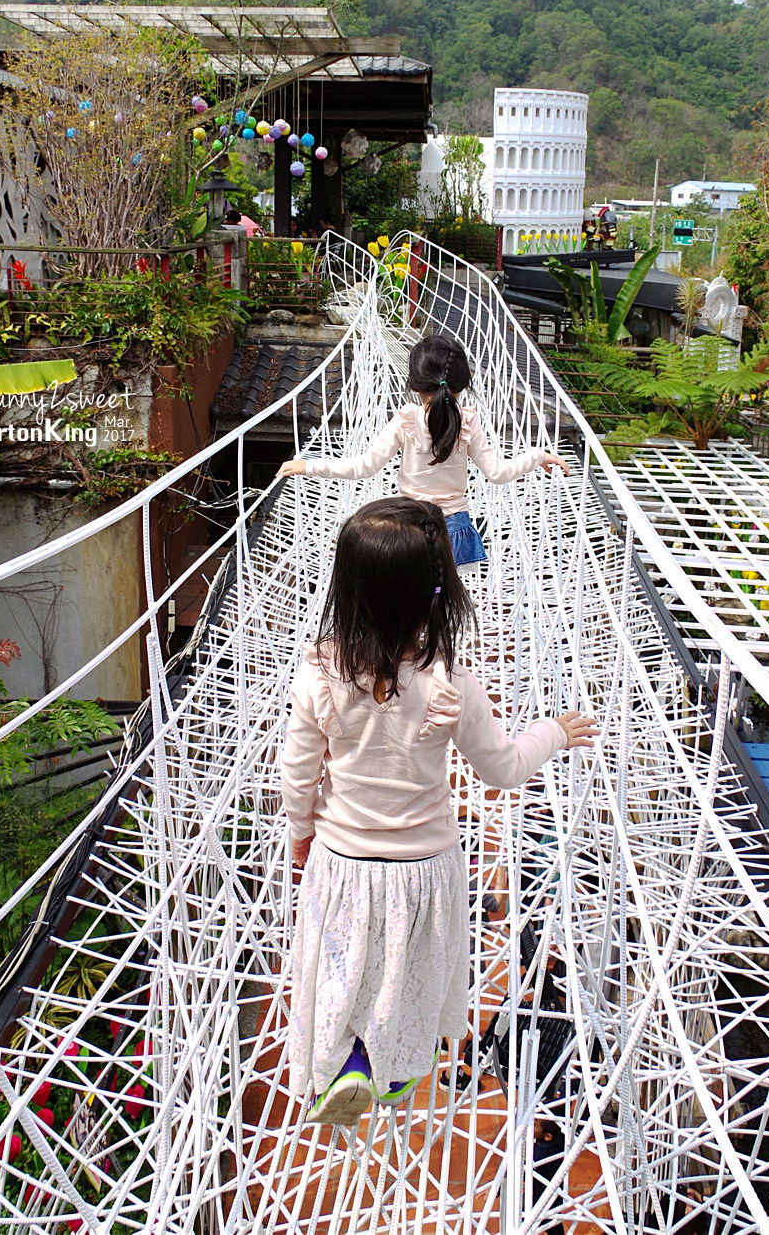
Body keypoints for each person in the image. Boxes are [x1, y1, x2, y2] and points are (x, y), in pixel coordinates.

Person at [282, 497, 596, 1125]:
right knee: (406, 972)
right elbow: (503, 767)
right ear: (434, 595)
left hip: (344, 860)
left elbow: (298, 772)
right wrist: (556, 731)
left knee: (346, 965)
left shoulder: (318, 673)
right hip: (425, 868)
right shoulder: (449, 682)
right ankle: (393, 1074)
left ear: (347, 589)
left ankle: (347, 1068)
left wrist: (299, 833)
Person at [278, 334, 569, 567]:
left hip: (409, 528)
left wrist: (308, 466)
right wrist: (538, 456)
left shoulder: (406, 419)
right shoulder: (468, 422)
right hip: (453, 533)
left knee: (410, 593)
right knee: (441, 595)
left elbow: (364, 467)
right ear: (461, 384)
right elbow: (498, 473)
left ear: (416, 385)